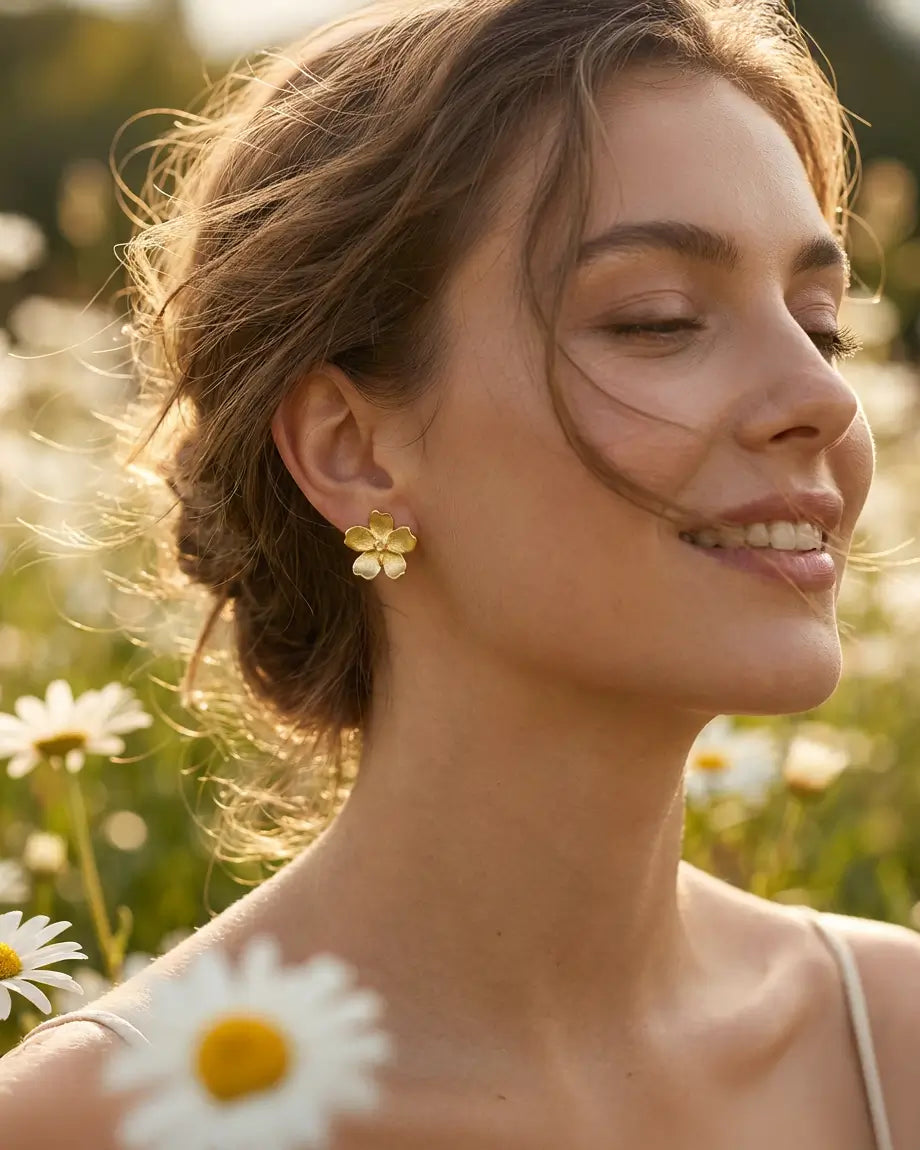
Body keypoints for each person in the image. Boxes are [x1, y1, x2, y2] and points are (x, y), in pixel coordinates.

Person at [1, 0, 918, 1145]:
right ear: (350, 448)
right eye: (657, 320)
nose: (823, 397)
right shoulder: (97, 1123)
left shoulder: (892, 1043)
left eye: (820, 324)